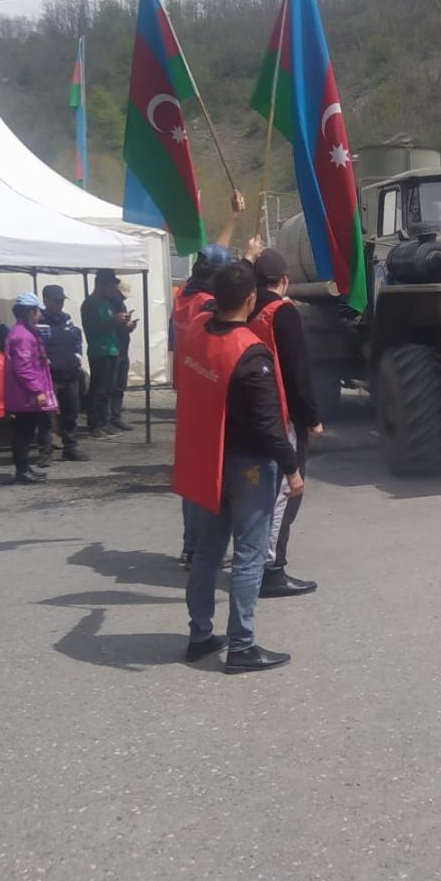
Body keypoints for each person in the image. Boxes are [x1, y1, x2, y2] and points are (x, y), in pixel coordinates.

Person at [173, 261, 302, 673]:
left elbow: (204, 297)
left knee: (207, 552)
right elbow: (268, 422)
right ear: (250, 299)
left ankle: (199, 635)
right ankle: (242, 645)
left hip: (208, 459)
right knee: (248, 554)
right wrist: (292, 469)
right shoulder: (250, 352)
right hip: (248, 466)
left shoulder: (196, 329)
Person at [250, 248, 324, 596]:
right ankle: (272, 570)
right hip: (282, 416)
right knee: (286, 493)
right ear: (283, 280)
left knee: (259, 493)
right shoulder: (283, 313)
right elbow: (297, 372)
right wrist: (311, 417)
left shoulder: (245, 309)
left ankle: (251, 559)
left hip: (251, 415)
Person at [173, 243, 236, 568]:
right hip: (207, 389)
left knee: (192, 475)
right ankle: (200, 549)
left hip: (187, 389)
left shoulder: (183, 295)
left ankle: (190, 547)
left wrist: (234, 217)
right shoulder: (205, 305)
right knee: (209, 477)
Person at [3, 292, 58, 485]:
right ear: (30, 311)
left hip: (23, 393)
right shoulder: (23, 336)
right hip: (25, 395)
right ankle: (22, 471)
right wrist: (37, 390)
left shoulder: (22, 332)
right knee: (23, 434)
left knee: (24, 433)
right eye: (36, 311)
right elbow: (24, 367)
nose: (39, 315)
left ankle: (25, 468)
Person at [40, 285, 89, 463]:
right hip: (49, 376)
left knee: (71, 411)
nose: (60, 304)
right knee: (47, 415)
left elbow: (76, 339)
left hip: (69, 373)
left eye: (61, 301)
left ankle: (70, 447)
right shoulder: (38, 321)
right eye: (56, 301)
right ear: (46, 300)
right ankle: (45, 451)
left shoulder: (66, 319)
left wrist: (77, 357)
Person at [81, 269, 129, 438]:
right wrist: (113, 321)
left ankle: (105, 421)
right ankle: (94, 425)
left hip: (112, 349)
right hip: (98, 351)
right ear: (100, 284)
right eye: (109, 285)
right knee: (98, 389)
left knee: (109, 388)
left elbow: (110, 326)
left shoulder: (107, 303)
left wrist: (123, 325)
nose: (112, 288)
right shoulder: (89, 304)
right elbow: (92, 329)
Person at [107, 282, 138, 433]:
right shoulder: (107, 305)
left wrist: (129, 326)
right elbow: (103, 326)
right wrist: (116, 320)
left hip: (123, 348)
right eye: (121, 295)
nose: (122, 299)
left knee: (120, 384)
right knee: (110, 385)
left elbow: (121, 328)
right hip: (113, 349)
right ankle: (107, 418)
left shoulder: (121, 305)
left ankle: (116, 417)